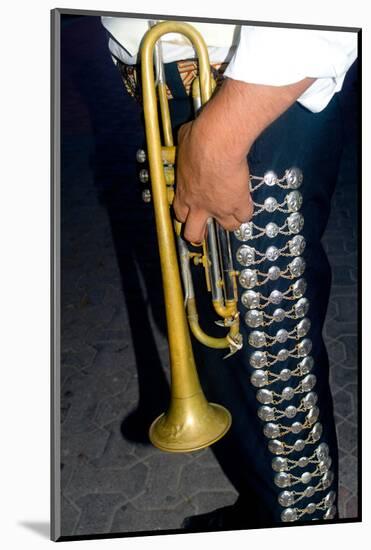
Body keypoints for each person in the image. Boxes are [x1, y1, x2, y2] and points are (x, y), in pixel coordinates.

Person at [101, 16, 358, 529]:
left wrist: (223, 134)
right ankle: (267, 506)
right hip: (167, 82)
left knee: (268, 353)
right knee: (216, 329)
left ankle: (302, 526)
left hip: (248, 91)